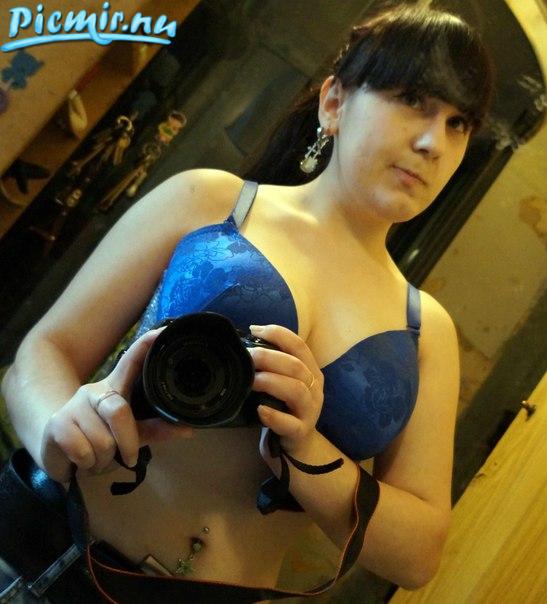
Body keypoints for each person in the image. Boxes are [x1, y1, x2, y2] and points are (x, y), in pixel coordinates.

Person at [1, 4, 493, 601]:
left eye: (458, 123)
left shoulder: (427, 331)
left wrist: (308, 451)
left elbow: (417, 555)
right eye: (413, 99)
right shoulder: (211, 202)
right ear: (334, 102)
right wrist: (60, 429)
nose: (432, 142)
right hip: (48, 552)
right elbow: (42, 355)